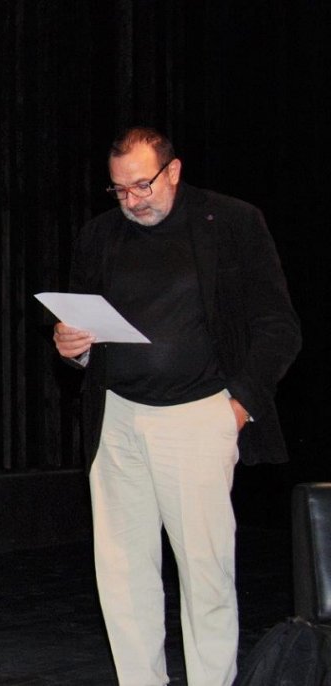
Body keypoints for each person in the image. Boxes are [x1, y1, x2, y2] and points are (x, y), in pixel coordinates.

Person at [52, 126, 300, 685]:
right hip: (117, 419)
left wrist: (238, 406)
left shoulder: (232, 223)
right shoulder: (98, 236)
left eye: (143, 185)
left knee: (205, 575)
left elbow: (279, 326)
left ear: (175, 170)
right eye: (120, 190)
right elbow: (84, 332)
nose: (133, 200)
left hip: (198, 416)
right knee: (121, 574)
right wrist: (73, 350)